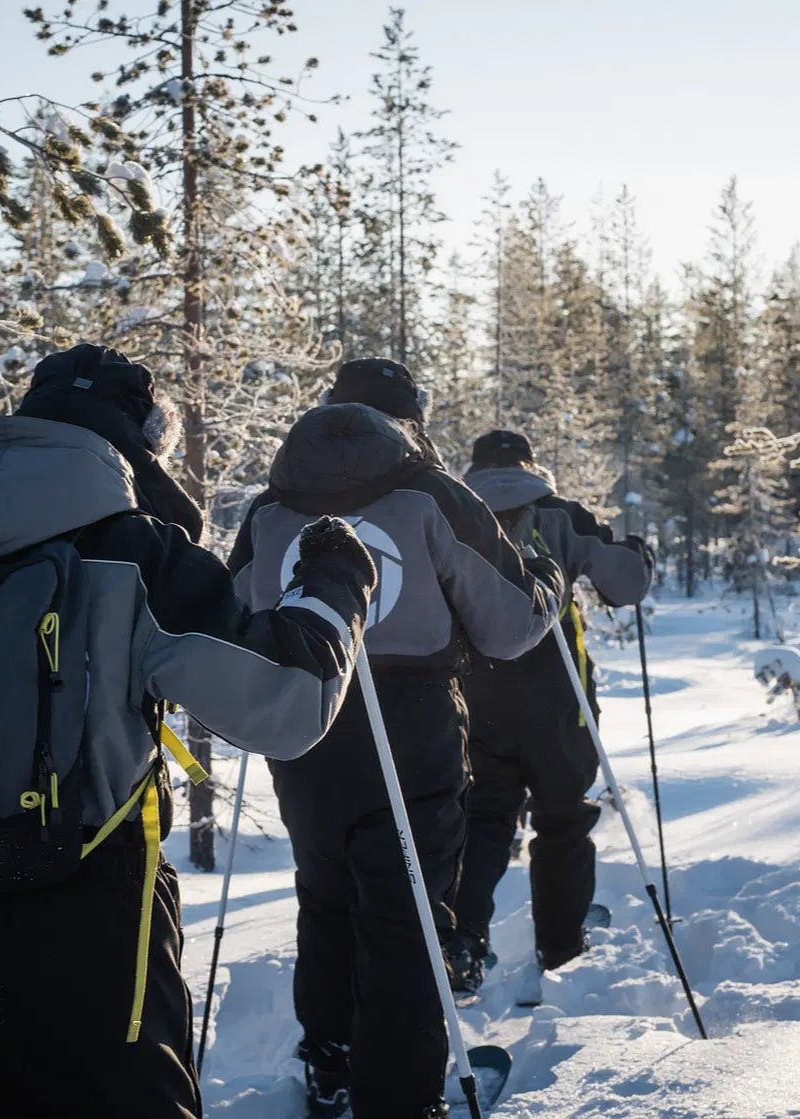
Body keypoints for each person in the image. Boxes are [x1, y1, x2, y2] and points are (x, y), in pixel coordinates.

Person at [0, 344, 378, 1119]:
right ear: (133, 441)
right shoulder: (135, 550)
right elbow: (287, 703)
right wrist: (335, 578)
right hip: (94, 923)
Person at [227, 360, 564, 1119]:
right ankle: (400, 1096)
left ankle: (331, 1061)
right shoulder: (433, 493)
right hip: (411, 720)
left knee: (325, 894)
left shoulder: (271, 504)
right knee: (407, 911)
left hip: (306, 715)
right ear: (409, 417)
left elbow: (233, 612)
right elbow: (508, 628)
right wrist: (544, 578)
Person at [448, 430, 654, 999]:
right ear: (530, 465)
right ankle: (561, 950)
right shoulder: (559, 515)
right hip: (558, 701)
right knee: (562, 822)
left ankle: (462, 942)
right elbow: (625, 585)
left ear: (476, 468)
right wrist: (637, 552)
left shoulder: (453, 513)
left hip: (477, 697)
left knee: (484, 820)